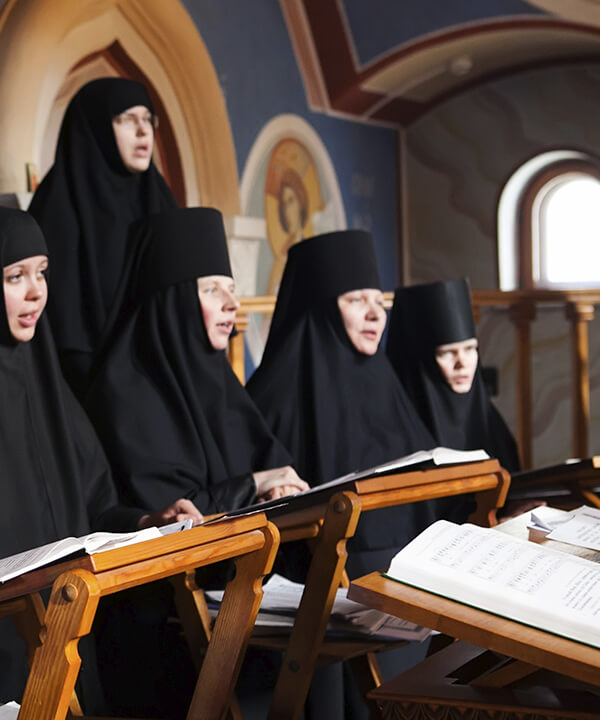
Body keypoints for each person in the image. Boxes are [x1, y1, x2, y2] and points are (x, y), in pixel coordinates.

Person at [0, 205, 200, 709]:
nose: (36, 292)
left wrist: (147, 521)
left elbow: (95, 505)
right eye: (15, 276)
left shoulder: (47, 384)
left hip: (68, 630)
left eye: (41, 273)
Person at [244, 230, 439, 718]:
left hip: (409, 594)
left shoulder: (387, 384)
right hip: (324, 605)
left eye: (379, 300)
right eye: (356, 300)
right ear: (320, 308)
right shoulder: (271, 395)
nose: (376, 314)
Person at [86, 207, 307, 516]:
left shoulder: (223, 383)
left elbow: (273, 468)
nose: (233, 304)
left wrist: (279, 488)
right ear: (174, 303)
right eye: (212, 290)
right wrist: (254, 485)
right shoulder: (123, 392)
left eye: (231, 289)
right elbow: (172, 513)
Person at [27, 77, 178, 395]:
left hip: (159, 372)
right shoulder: (57, 207)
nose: (143, 131)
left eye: (148, 119)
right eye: (128, 119)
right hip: (86, 383)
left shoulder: (159, 199)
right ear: (95, 128)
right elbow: (62, 322)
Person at [387, 278, 520, 471]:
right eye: (447, 353)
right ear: (422, 361)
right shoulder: (396, 434)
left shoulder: (494, 429)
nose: (462, 364)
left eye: (469, 349)